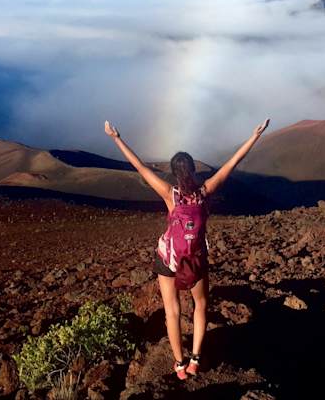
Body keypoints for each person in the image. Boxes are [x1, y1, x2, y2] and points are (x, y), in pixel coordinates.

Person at [104, 118, 270, 380]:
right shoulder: (205, 192)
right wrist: (255, 135)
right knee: (200, 305)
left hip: (168, 260)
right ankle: (195, 360)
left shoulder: (169, 193)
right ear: (192, 170)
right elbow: (231, 164)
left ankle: (179, 365)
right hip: (196, 259)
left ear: (173, 172)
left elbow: (139, 167)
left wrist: (116, 138)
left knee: (172, 311)